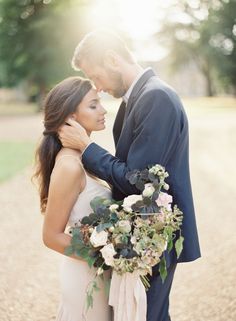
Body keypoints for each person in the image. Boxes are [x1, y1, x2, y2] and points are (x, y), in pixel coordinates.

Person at [59, 30, 201, 321]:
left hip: (153, 237)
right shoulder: (136, 98)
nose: (96, 87)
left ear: (112, 59)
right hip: (138, 237)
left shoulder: (155, 97)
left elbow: (140, 181)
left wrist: (87, 149)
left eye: (95, 76)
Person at [33, 76, 112, 321]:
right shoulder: (69, 165)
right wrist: (108, 257)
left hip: (99, 273)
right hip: (86, 278)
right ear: (71, 116)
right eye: (93, 105)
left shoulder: (83, 157)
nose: (103, 109)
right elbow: (51, 236)